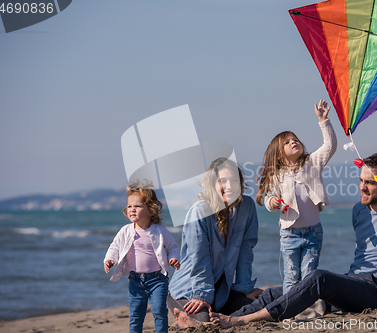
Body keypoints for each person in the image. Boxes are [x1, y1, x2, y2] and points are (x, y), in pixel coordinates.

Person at [204, 152, 377, 328]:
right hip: (356, 283)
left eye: (369, 182)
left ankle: (240, 321)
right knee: (276, 291)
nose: (362, 186)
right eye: (361, 179)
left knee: (317, 278)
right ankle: (213, 321)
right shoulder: (357, 211)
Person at [167, 157, 262, 328]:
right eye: (222, 181)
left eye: (234, 180)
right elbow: (199, 258)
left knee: (257, 308)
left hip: (221, 291)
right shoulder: (199, 211)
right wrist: (202, 296)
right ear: (212, 184)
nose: (229, 186)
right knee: (204, 325)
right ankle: (181, 318)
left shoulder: (247, 206)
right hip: (189, 291)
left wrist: (244, 288)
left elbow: (246, 251)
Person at [256, 99, 337, 293]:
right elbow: (268, 198)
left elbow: (330, 145)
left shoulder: (312, 163)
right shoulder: (277, 175)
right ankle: (289, 311)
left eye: (295, 139)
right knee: (291, 277)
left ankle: (309, 310)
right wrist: (272, 202)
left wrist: (323, 121)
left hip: (314, 232)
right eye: (287, 142)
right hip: (289, 234)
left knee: (309, 275)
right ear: (278, 154)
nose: (294, 142)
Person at [104, 180, 181, 333]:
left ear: (150, 209)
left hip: (158, 280)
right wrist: (109, 259)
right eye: (129, 206)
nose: (132, 210)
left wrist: (174, 258)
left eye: (137, 206)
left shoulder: (160, 230)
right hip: (135, 281)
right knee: (136, 315)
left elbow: (173, 246)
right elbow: (115, 246)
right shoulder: (126, 230)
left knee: (159, 311)